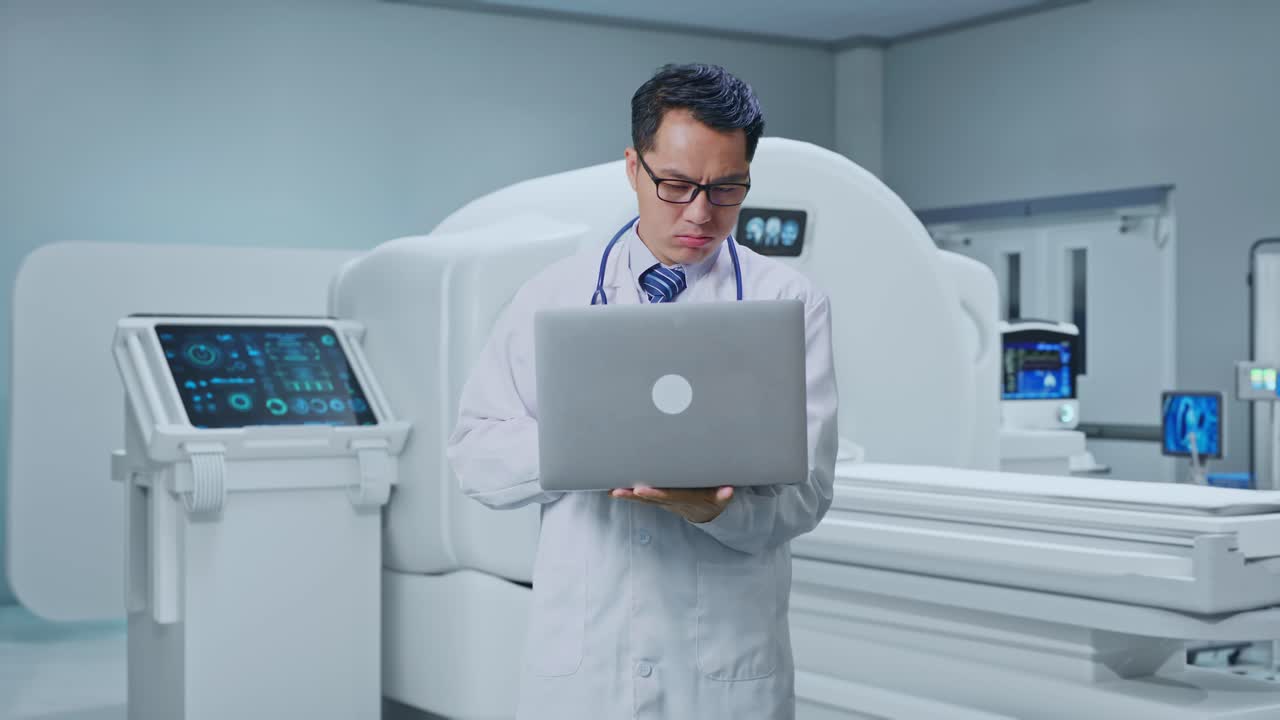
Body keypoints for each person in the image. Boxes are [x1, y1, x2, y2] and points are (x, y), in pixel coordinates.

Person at [446, 62, 838, 720]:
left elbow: (808, 493)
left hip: (722, 672)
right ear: (634, 167)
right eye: (677, 185)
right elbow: (475, 455)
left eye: (727, 189)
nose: (701, 213)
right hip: (585, 669)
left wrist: (714, 509)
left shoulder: (790, 304)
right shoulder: (553, 297)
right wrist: (586, 445)